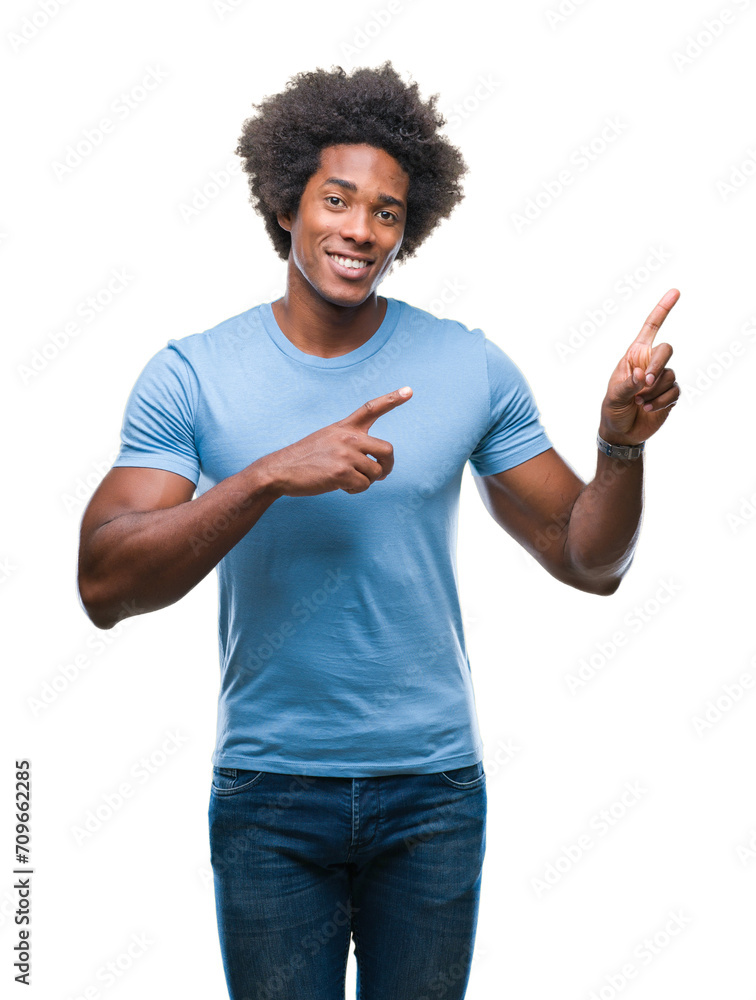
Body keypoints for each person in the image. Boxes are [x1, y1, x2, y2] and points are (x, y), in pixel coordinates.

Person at [77, 62, 679, 1000]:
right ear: (286, 204)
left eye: (387, 213)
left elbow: (586, 560)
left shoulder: (467, 364)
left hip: (432, 793)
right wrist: (272, 473)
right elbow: (104, 585)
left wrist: (618, 448)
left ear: (411, 227)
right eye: (337, 200)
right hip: (269, 794)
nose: (360, 231)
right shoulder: (193, 373)